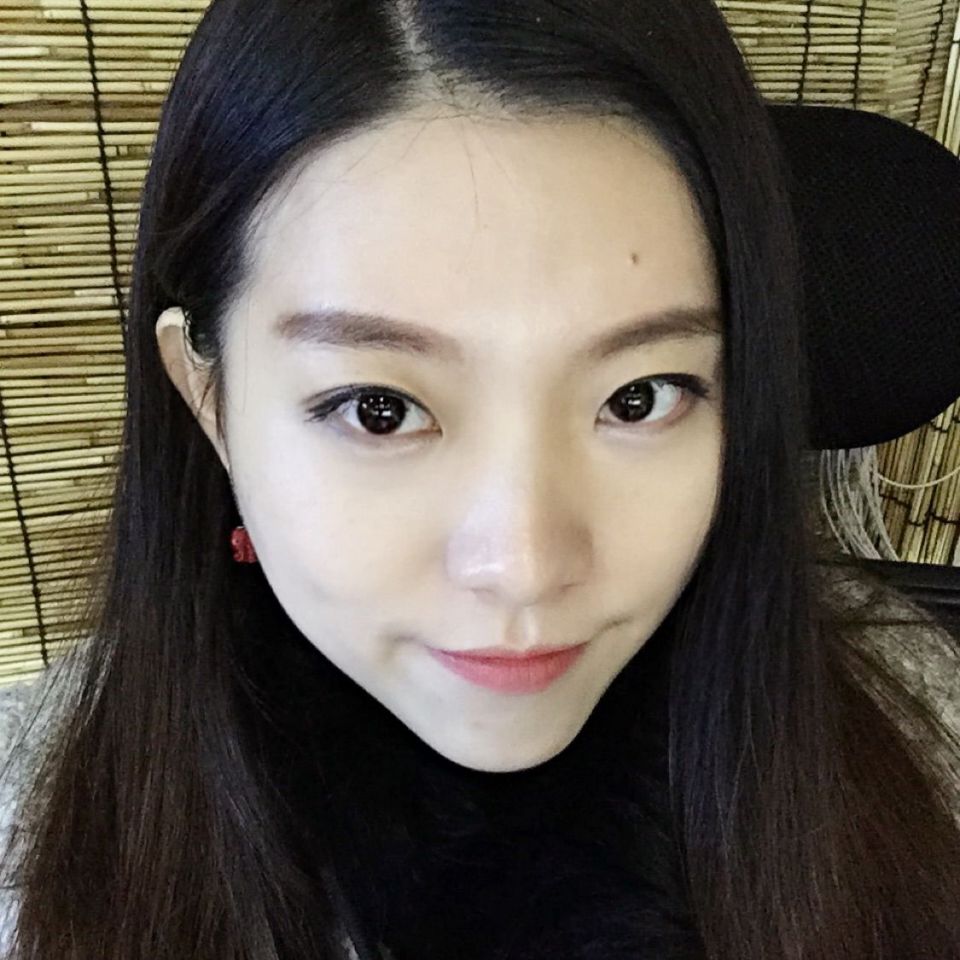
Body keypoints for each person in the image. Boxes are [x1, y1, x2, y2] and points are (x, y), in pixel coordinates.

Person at [0, 1, 959, 958]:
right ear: (209, 400)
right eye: (380, 408)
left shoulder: (926, 742)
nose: (524, 567)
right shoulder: (26, 829)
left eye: (638, 398)